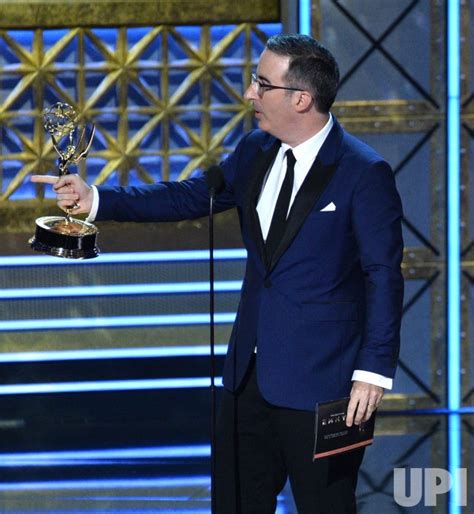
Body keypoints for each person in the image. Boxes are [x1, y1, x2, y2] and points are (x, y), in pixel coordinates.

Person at [32, 33, 404, 514]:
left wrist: (372, 372)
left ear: (301, 99)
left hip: (324, 387)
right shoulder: (255, 150)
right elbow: (188, 197)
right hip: (245, 377)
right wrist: (98, 199)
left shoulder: (363, 172)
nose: (249, 93)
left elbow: (383, 276)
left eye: (261, 84)